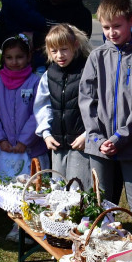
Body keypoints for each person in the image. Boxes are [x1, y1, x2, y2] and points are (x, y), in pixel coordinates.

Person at [79, 0, 132, 235]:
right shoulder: (97, 55)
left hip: (131, 143)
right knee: (100, 200)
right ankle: (100, 252)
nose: (111, 32)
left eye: (117, 26)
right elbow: (86, 99)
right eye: (106, 27)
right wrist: (97, 138)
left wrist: (120, 136)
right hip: (99, 143)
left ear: (131, 21)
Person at [0, 34, 49, 229]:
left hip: (31, 149)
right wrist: (0, 139)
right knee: (12, 187)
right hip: (7, 150)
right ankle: (16, 224)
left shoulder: (35, 83)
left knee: (34, 186)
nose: (14, 62)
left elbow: (38, 113)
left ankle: (34, 224)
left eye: (19, 57)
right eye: (9, 57)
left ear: (29, 57)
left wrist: (25, 140)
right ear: (3, 58)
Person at [34, 24, 92, 188]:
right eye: (54, 51)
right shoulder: (49, 75)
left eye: (64, 49)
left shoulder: (87, 71)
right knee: (58, 189)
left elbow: (97, 104)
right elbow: (42, 105)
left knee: (77, 191)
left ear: (75, 46)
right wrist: (46, 133)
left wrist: (88, 134)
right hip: (58, 144)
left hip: (80, 144)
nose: (60, 55)